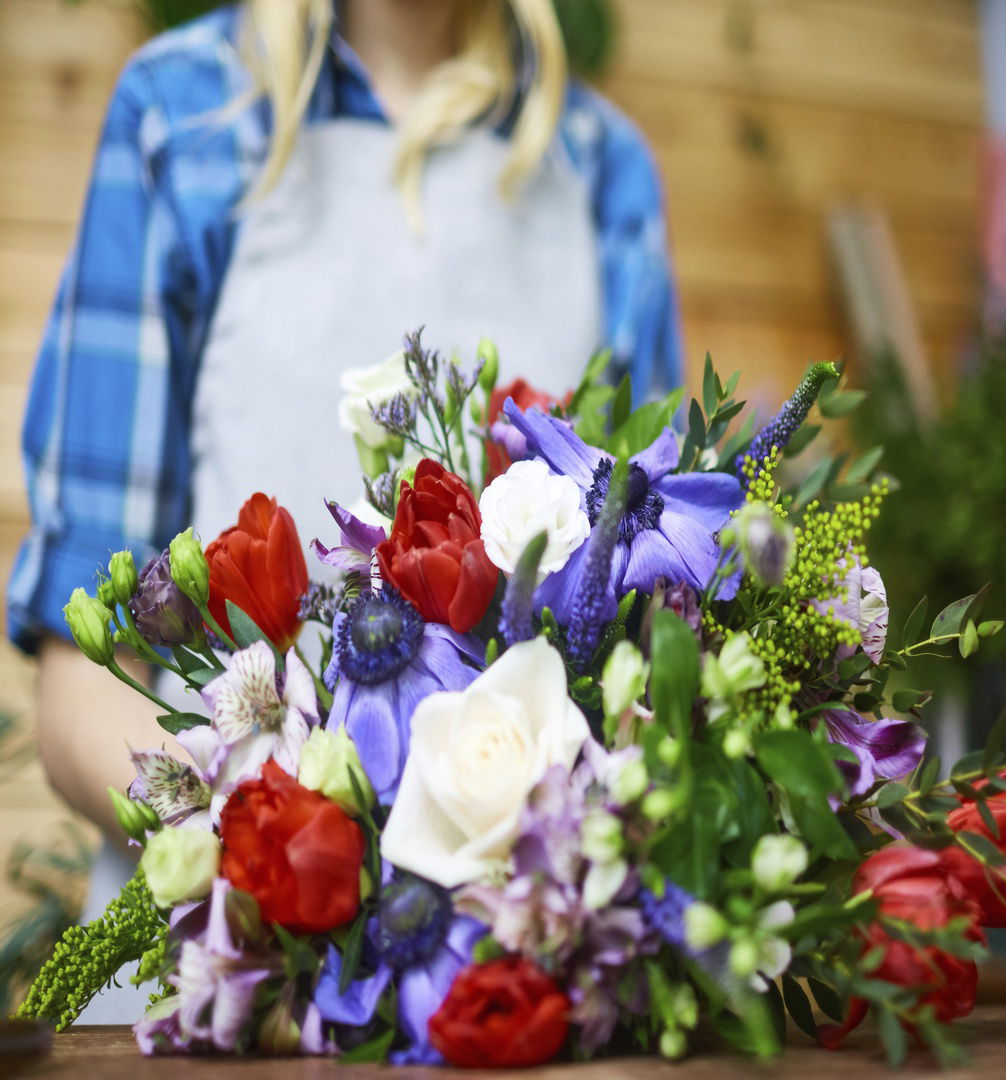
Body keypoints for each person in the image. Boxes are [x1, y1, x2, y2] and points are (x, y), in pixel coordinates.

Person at [6, 0, 681, 1021]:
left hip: (514, 984)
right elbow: (79, 690)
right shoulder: (183, 115)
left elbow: (658, 628)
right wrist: (276, 877)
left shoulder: (600, 170)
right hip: (233, 981)